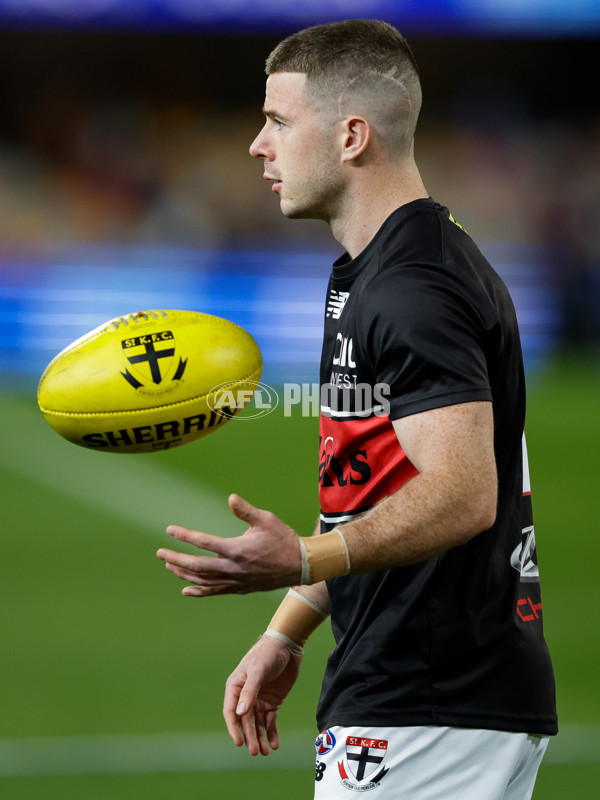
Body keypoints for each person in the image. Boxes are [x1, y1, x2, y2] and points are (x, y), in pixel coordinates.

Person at [156, 19, 557, 799]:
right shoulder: (373, 273)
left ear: (351, 136)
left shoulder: (414, 287)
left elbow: (463, 493)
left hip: (431, 703)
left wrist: (305, 558)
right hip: (419, 697)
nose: (257, 146)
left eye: (278, 121)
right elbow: (375, 489)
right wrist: (286, 630)